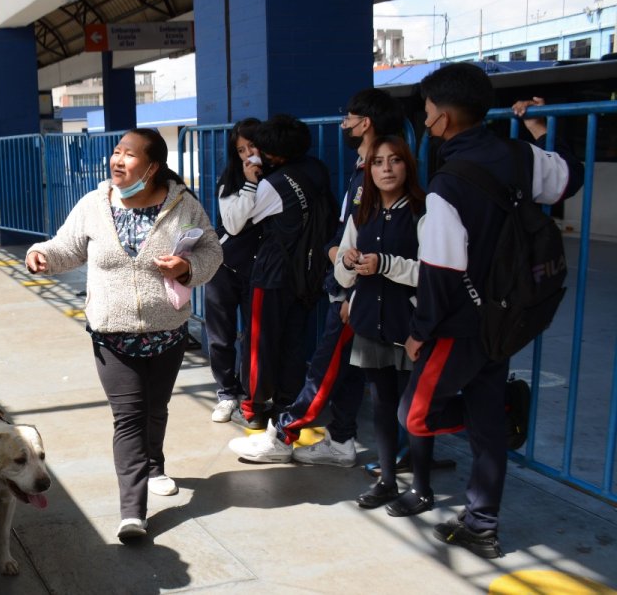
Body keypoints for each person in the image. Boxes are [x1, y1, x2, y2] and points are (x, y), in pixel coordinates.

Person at [403, 63, 583, 558]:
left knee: (415, 414)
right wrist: (541, 129)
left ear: (441, 118)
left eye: (427, 112)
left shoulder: (446, 185)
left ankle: (502, 414)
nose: (426, 122)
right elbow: (569, 179)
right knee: (483, 421)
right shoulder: (522, 154)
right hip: (509, 315)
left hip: (461, 325)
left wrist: (421, 329)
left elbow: (439, 271)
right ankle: (482, 524)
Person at [25, 128, 221, 542]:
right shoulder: (94, 204)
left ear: (152, 167)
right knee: (129, 418)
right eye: (116, 152)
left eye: (129, 154)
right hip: (112, 335)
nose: (117, 160)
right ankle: (133, 512)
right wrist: (40, 254)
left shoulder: (183, 206)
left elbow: (211, 250)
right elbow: (67, 247)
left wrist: (186, 268)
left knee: (156, 408)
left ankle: (154, 464)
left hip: (166, 332)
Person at [228, 89, 404, 464]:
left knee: (320, 365)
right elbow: (349, 229)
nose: (343, 124)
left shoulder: (369, 178)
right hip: (326, 278)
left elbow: (236, 221)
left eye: (348, 117)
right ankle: (342, 438)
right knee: (350, 367)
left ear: (365, 123)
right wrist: (333, 252)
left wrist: (349, 292)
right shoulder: (332, 171)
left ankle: (281, 432)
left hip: (344, 287)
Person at [329, 135, 431, 514]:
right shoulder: (362, 213)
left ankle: (422, 488)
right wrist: (347, 261)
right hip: (371, 325)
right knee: (383, 407)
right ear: (368, 170)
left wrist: (385, 264)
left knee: (415, 411)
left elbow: (433, 273)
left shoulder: (422, 212)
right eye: (377, 162)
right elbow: (342, 275)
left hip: (410, 328)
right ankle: (387, 480)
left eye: (394, 160)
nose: (386, 169)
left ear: (408, 166)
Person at [219, 114, 335, 432]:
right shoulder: (317, 169)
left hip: (272, 273)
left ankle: (253, 407)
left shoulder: (273, 184)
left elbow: (235, 223)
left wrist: (249, 181)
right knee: (294, 342)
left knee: (260, 342)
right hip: (307, 271)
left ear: (277, 155)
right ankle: (286, 403)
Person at [204, 118, 261, 423]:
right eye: (241, 149)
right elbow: (234, 224)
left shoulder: (277, 178)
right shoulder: (230, 180)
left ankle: (251, 394)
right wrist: (249, 184)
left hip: (258, 270)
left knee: (255, 337)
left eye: (252, 146)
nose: (248, 154)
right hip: (224, 266)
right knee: (220, 336)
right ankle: (227, 392)